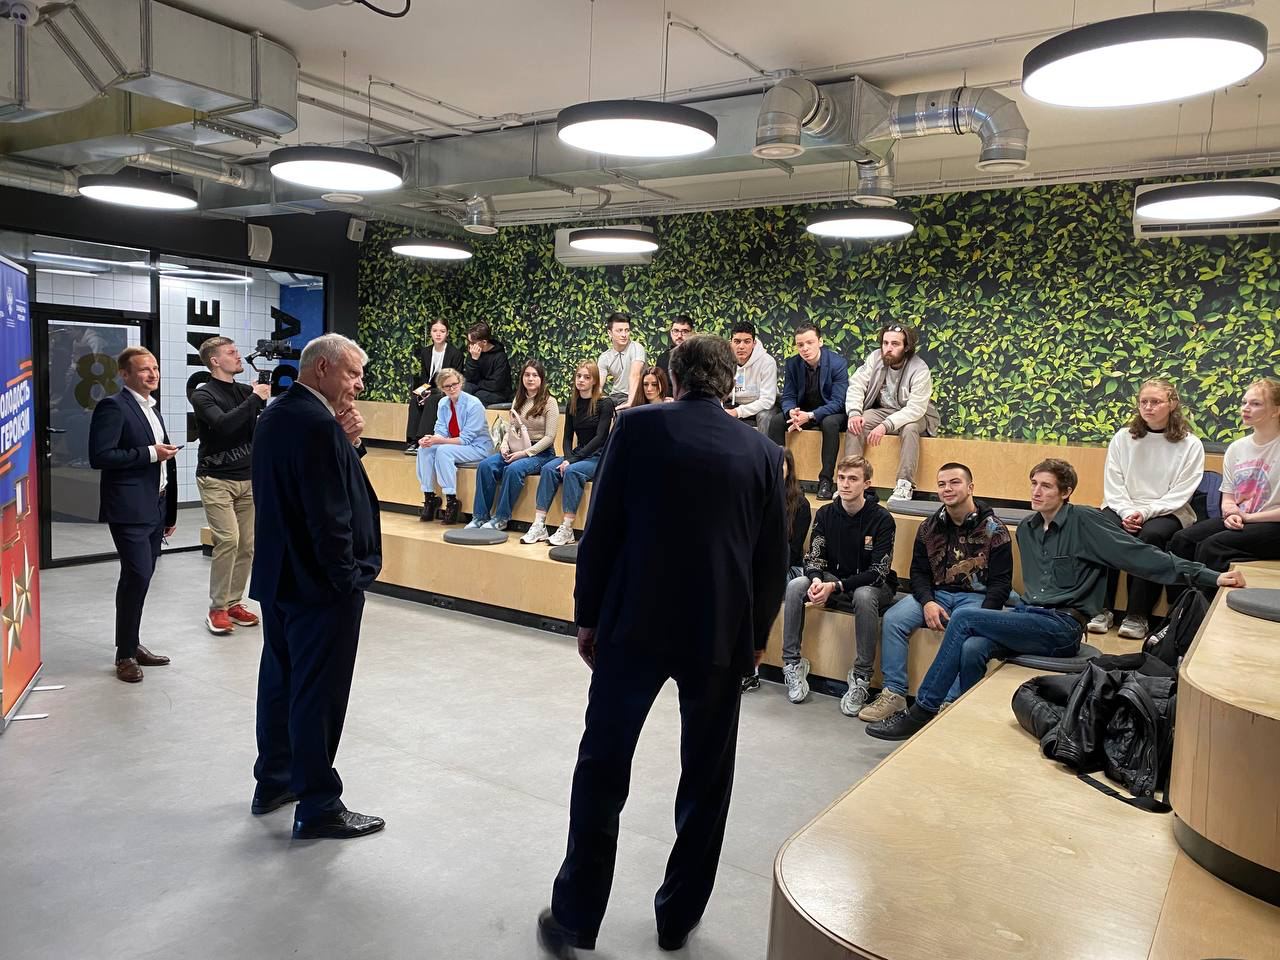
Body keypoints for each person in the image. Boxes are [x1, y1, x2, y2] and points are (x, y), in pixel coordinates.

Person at [536, 334, 786, 957]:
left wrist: (588, 616)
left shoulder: (636, 427)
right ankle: (677, 919)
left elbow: (602, 529)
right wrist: (755, 639)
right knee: (707, 779)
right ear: (730, 384)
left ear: (673, 378)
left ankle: (575, 917)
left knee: (602, 767)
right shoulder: (764, 452)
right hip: (719, 633)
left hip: (634, 624)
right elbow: (770, 560)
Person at [866, 458, 1245, 742]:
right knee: (972, 646)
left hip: (1063, 625)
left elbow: (1144, 557)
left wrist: (1209, 575)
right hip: (1032, 615)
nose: (1036, 491)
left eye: (1046, 486)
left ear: (1065, 492)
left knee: (966, 620)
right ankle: (961, 720)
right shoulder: (1028, 530)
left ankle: (922, 711)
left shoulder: (1086, 523)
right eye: (1034, 484)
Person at [249, 332, 384, 840]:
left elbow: (312, 482)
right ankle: (320, 804)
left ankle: (275, 781)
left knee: (281, 683)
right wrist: (346, 579)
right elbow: (330, 515)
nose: (359, 384)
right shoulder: (318, 425)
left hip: (281, 577)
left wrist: (348, 444)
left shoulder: (277, 415)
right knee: (318, 695)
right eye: (353, 373)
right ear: (322, 368)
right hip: (321, 586)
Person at [857, 463, 1012, 723]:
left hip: (975, 598)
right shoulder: (928, 527)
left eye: (954, 482)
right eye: (941, 484)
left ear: (971, 487)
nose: (947, 488)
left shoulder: (995, 530)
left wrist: (984, 618)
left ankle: (947, 702)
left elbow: (1001, 583)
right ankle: (894, 692)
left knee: (964, 629)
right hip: (936, 594)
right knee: (894, 619)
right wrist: (928, 602)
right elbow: (918, 573)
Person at [779, 456, 897, 715]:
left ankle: (862, 676)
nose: (845, 484)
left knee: (864, 596)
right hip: (833, 579)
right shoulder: (825, 514)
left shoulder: (882, 519)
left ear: (867, 484)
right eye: (841, 478)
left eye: (853, 479)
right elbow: (814, 558)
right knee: (797, 584)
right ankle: (792, 663)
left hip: (873, 585)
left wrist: (835, 587)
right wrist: (817, 580)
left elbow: (878, 572)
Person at [88, 346, 177, 683]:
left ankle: (131, 643)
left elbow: (164, 464)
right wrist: (150, 453)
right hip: (129, 508)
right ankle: (124, 654)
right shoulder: (113, 406)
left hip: (155, 505)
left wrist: (169, 512)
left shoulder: (152, 408)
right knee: (137, 575)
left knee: (141, 577)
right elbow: (101, 456)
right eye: (143, 369)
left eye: (155, 368)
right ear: (125, 374)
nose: (152, 374)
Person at [1092, 378, 1204, 639]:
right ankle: (1101, 608)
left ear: (1172, 404)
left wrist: (1144, 512)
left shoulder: (1190, 444)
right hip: (1123, 506)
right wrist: (1126, 511)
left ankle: (1137, 614)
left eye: (1156, 402)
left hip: (1169, 511)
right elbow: (1114, 482)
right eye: (1144, 402)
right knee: (1101, 526)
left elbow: (1181, 493)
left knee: (1151, 535)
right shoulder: (1123, 438)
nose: (1148, 407)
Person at [190, 336, 271, 636]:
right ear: (215, 361)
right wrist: (255, 399)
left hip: (247, 479)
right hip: (215, 479)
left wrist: (259, 401)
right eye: (231, 352)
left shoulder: (244, 392)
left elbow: (254, 429)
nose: (238, 356)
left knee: (247, 545)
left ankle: (234, 602)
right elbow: (224, 425)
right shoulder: (203, 395)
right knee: (228, 540)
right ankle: (217, 608)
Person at [1169, 378, 1280, 572]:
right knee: (1182, 540)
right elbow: (1228, 499)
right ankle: (1186, 593)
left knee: (1212, 547)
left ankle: (1211, 592)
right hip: (1242, 519)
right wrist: (1231, 512)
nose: (1245, 408)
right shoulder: (1236, 448)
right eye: (1244, 402)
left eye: (1256, 404)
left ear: (1276, 411)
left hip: (1273, 523)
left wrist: (1247, 517)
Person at [844, 322, 940, 503]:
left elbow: (915, 408)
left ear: (906, 347)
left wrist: (885, 425)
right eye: (885, 343)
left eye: (895, 344)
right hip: (883, 411)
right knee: (857, 423)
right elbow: (857, 384)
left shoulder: (919, 369)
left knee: (910, 428)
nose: (888, 348)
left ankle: (905, 484)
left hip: (916, 415)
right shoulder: (875, 358)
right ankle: (850, 480)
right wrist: (855, 412)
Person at [522, 362, 615, 546]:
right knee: (549, 469)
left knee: (572, 471)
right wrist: (568, 457)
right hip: (578, 454)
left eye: (586, 377)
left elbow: (600, 438)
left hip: (599, 456)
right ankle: (539, 524)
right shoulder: (573, 402)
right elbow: (566, 437)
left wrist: (572, 461)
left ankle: (567, 528)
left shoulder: (605, 403)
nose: (581, 380)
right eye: (579, 376)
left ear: (595, 381)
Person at [743, 447, 810, 694]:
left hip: (789, 567)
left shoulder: (800, 504)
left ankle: (753, 668)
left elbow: (792, 550)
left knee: (753, 589)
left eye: (780, 464)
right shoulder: (755, 496)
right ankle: (743, 667)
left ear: (789, 469)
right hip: (757, 566)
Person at [468, 360, 560, 530]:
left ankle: (501, 518)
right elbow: (512, 428)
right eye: (527, 375)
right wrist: (504, 445)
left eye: (534, 375)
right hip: (516, 448)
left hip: (541, 453)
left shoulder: (550, 402)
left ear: (541, 379)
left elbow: (549, 437)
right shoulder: (519, 399)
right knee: (485, 466)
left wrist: (525, 453)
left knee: (513, 469)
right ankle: (480, 516)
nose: (530, 379)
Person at [777, 323, 849, 500]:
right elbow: (788, 396)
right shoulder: (793, 364)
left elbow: (838, 402)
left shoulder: (837, 363)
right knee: (776, 421)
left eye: (810, 342)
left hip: (830, 412)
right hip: (802, 411)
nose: (805, 348)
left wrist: (810, 416)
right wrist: (791, 412)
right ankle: (779, 479)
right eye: (800, 344)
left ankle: (826, 482)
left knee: (829, 423)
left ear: (820, 342)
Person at [417, 367, 493, 525]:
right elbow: (441, 431)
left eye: (454, 384)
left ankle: (451, 501)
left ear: (460, 383)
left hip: (478, 447)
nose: (452, 389)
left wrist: (438, 441)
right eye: (447, 386)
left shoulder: (474, 404)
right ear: (442, 388)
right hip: (456, 445)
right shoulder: (443, 403)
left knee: (443, 451)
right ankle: (429, 497)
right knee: (424, 449)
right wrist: (429, 439)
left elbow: (465, 439)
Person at [404, 318, 465, 454]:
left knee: (432, 399)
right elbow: (425, 377)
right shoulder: (426, 352)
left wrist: (433, 392)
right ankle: (412, 441)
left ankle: (423, 439)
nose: (438, 334)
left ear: (447, 333)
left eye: (442, 331)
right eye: (435, 331)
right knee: (415, 399)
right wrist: (422, 392)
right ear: (430, 333)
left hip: (448, 389)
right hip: (430, 387)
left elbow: (455, 380)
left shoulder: (455, 354)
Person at [725, 321, 781, 440]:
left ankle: (764, 451)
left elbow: (767, 401)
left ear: (754, 343)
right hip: (735, 403)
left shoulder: (767, 362)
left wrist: (738, 412)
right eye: (737, 341)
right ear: (731, 343)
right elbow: (718, 394)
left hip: (764, 406)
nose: (741, 346)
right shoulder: (724, 361)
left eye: (747, 341)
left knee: (765, 416)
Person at [597, 311, 645, 409]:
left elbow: (635, 375)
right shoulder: (604, 357)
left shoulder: (637, 348)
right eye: (619, 330)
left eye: (627, 330)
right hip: (615, 396)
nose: (624, 334)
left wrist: (630, 403)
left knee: (624, 412)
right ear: (610, 333)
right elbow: (599, 386)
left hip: (635, 396)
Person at [462, 321, 513, 406]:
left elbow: (496, 384)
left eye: (473, 343)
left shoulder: (500, 356)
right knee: (463, 390)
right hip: (479, 388)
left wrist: (478, 384)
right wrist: (474, 360)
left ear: (484, 342)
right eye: (469, 342)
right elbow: (469, 378)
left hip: (498, 392)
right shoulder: (473, 352)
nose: (470, 345)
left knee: (478, 397)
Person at [653, 313, 693, 379]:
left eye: (685, 331)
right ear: (671, 333)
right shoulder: (662, 359)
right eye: (676, 331)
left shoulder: (699, 357)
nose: (679, 335)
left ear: (692, 333)